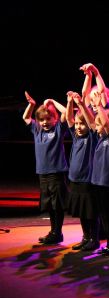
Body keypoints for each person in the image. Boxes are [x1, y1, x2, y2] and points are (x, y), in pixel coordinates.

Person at [23, 92, 68, 245]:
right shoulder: (37, 131)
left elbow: (66, 112)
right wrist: (31, 104)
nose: (45, 122)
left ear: (55, 119)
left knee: (57, 204)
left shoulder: (58, 130)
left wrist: (53, 101)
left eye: (48, 119)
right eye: (41, 120)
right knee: (49, 204)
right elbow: (26, 118)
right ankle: (53, 231)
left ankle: (58, 232)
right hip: (42, 173)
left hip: (56, 173)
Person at [86, 93, 109, 256]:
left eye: (100, 124)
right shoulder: (99, 138)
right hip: (97, 182)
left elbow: (107, 124)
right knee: (103, 215)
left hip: (107, 183)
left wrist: (99, 106)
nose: (97, 127)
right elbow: (91, 122)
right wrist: (81, 105)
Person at [65, 92, 100, 251]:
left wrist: (81, 105)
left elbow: (92, 122)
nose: (78, 127)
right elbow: (69, 120)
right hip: (74, 180)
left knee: (90, 212)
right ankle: (85, 237)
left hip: (87, 180)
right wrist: (70, 103)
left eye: (82, 124)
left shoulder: (92, 137)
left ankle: (94, 238)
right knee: (81, 212)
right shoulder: (76, 136)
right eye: (78, 124)